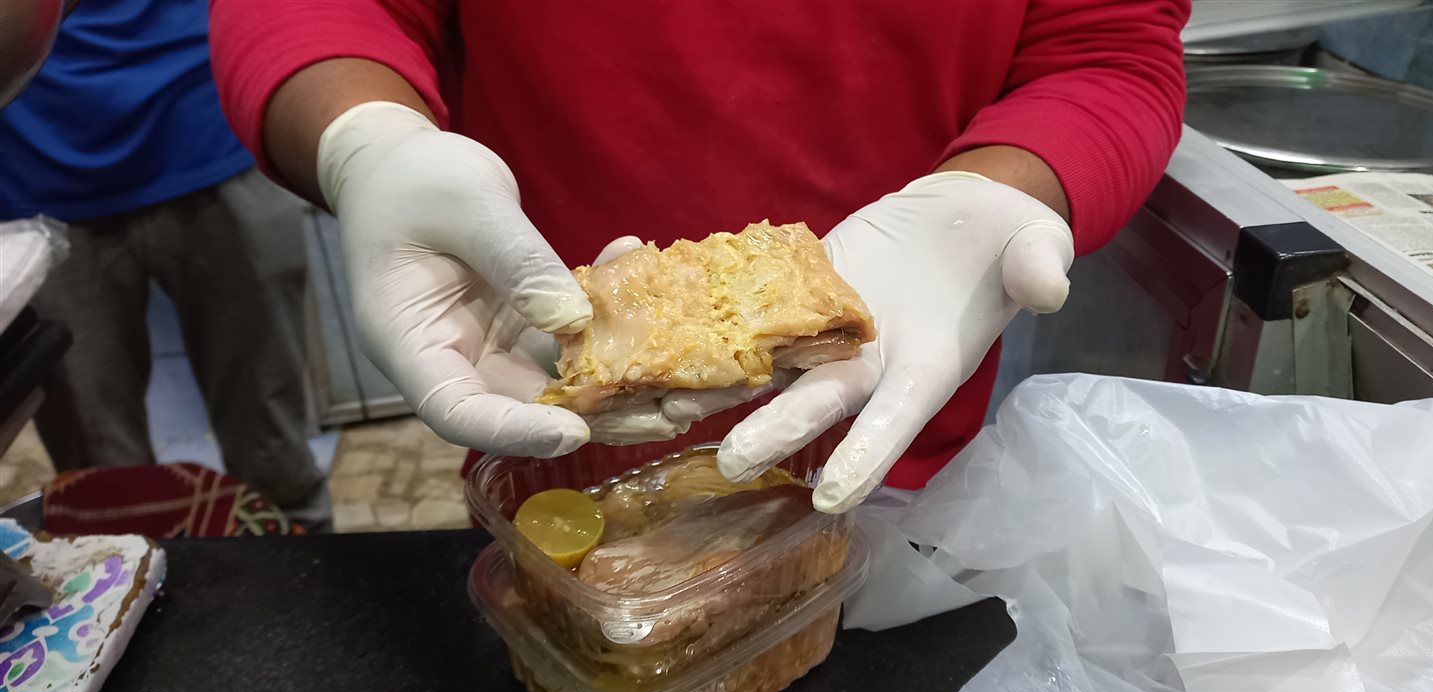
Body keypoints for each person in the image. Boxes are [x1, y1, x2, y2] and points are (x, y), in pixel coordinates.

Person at [210, 0, 1187, 513]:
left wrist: (1003, 189)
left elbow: (1105, 48)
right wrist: (366, 140)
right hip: (552, 408)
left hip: (895, 429)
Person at [0, 0, 332, 531]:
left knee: (275, 455)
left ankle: (305, 571)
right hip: (35, 178)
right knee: (102, 490)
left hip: (213, 127)